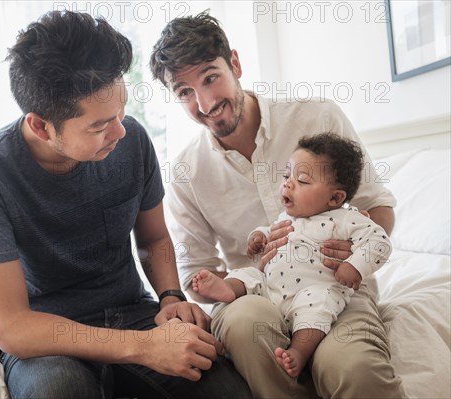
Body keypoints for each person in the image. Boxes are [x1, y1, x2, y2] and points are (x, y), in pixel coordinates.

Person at [0, 10, 251, 399]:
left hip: (135, 314)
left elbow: (155, 238)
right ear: (41, 126)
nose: (120, 131)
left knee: (225, 389)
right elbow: (12, 329)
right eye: (99, 126)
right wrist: (145, 348)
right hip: (48, 337)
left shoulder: (131, 140)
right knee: (59, 392)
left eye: (121, 111)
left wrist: (171, 297)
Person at [150, 11, 406, 398]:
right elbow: (198, 274)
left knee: (353, 368)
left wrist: (353, 254)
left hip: (334, 289)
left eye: (210, 77)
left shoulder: (316, 116)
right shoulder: (186, 171)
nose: (204, 103)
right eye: (185, 92)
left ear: (234, 63)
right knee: (243, 324)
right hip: (256, 296)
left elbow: (379, 208)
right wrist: (227, 283)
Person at [192, 133, 392, 378]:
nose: (288, 184)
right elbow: (269, 230)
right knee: (249, 273)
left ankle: (299, 351)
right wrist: (258, 237)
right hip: (270, 288)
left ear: (335, 198)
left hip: (314, 289)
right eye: (287, 176)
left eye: (303, 180)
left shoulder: (346, 219)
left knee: (318, 308)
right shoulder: (289, 217)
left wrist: (355, 265)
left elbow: (379, 241)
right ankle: (227, 289)